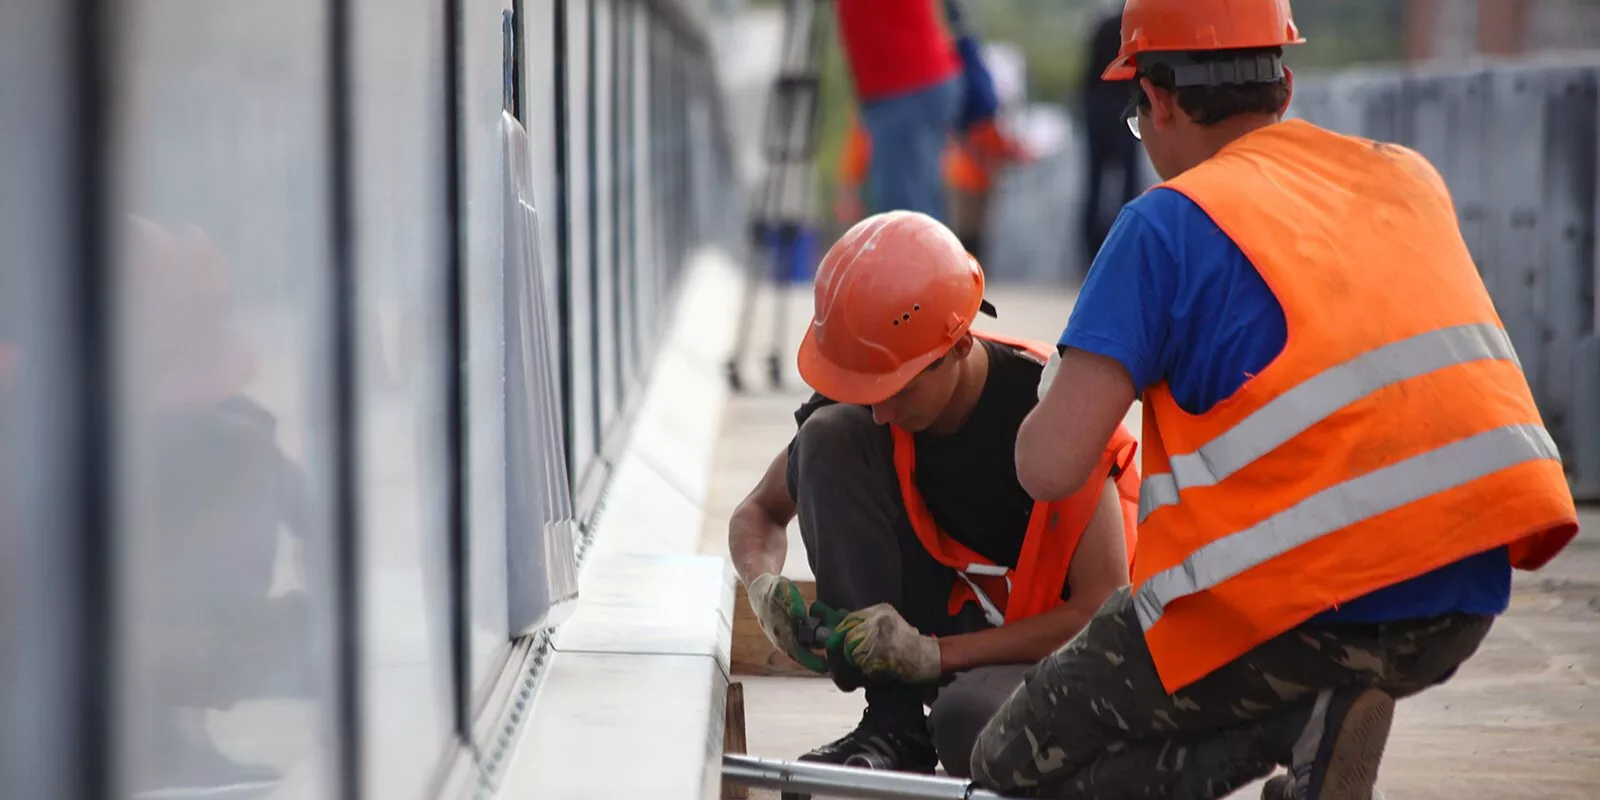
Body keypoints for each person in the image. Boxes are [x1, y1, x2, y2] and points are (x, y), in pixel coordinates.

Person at [969, 1, 1581, 798]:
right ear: (1285, 86)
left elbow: (1048, 468)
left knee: (1009, 763)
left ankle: (1296, 727)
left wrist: (1064, 373)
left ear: (1154, 99)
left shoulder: (1164, 225)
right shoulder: (1405, 174)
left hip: (1292, 611)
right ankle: (1315, 736)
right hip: (1455, 603)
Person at [727, 210, 1141, 781]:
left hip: (1072, 645)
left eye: (894, 389)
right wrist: (763, 585)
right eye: (864, 386)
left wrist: (937, 656)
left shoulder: (1048, 410)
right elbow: (759, 512)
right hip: (961, 618)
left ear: (959, 343)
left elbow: (1100, 607)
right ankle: (892, 722)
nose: (878, 410)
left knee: (970, 725)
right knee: (826, 437)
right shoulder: (872, 397)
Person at [834, 0, 964, 222]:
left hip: (907, 85)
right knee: (913, 210)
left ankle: (927, 257)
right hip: (905, 85)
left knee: (906, 219)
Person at [1077, 0, 1144, 270]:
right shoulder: (1134, 33)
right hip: (1126, 112)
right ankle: (1125, 250)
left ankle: (1091, 257)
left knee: (1094, 186)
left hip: (1097, 113)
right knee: (1129, 184)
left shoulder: (1101, 27)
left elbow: (1086, 78)